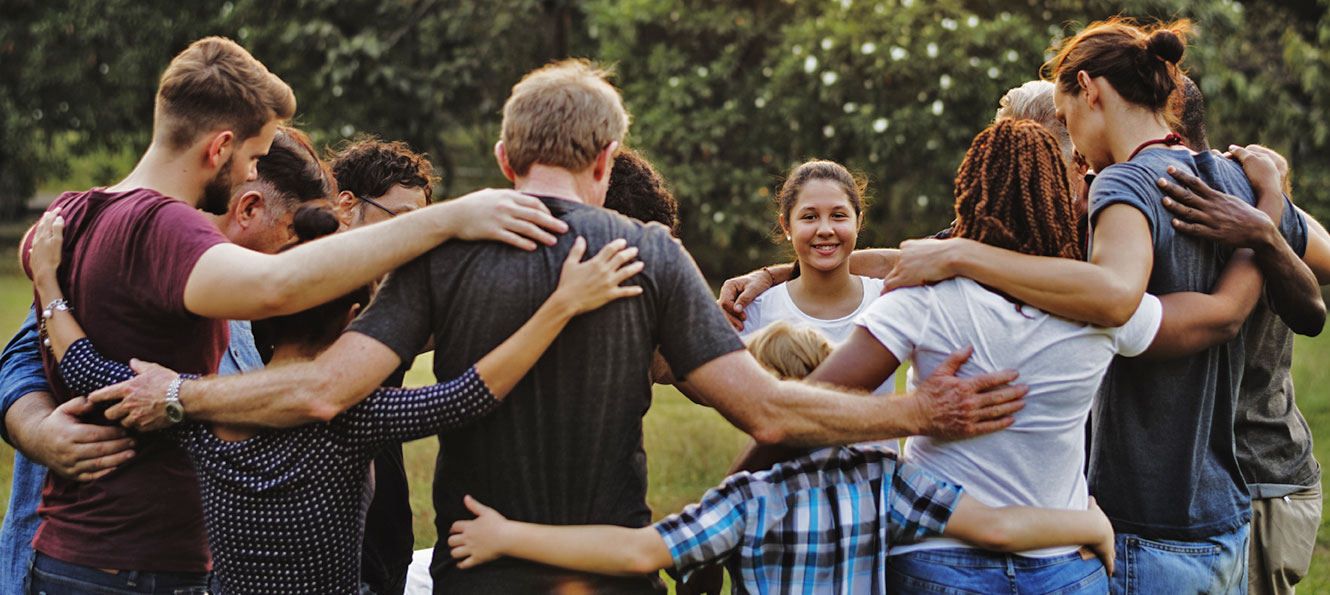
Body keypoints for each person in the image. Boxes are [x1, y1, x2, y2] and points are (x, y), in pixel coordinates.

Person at [89, 58, 1029, 593]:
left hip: (473, 570)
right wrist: (920, 415)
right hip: (605, 573)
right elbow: (770, 411)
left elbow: (331, 389)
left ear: (504, 155)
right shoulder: (652, 255)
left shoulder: (443, 249)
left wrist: (183, 395)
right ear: (608, 156)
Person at [5, 36, 566, 592]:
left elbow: (88, 368)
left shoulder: (73, 214)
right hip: (141, 569)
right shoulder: (174, 233)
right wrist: (451, 221)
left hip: (66, 556)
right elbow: (280, 287)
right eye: (252, 157)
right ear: (219, 147)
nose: (252, 172)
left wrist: (50, 287)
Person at [873, 18, 1321, 593]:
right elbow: (1252, 313)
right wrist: (1268, 206)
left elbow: (1113, 295)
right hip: (1220, 510)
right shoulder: (1243, 181)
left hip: (1136, 511)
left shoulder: (1119, 185)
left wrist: (964, 258)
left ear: (1091, 90)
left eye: (1065, 121)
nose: (1077, 154)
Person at [26, 204, 644, 594]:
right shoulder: (352, 417)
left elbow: (84, 369)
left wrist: (49, 280)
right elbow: (467, 396)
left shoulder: (191, 408)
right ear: (354, 318)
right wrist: (562, 305)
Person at [443, 320, 1117, 593]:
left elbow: (638, 551)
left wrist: (509, 534)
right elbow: (999, 526)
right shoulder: (886, 481)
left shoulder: (747, 500)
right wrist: (1090, 524)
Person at [0, 123, 334, 594]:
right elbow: (25, 359)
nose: (292, 254)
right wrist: (39, 432)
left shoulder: (234, 301)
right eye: (290, 234)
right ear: (249, 207)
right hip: (88, 563)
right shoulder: (130, 251)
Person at [1165, 81, 1330, 595]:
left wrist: (1268, 211)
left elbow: (1321, 274)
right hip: (1206, 482)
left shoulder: (1236, 190)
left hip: (1260, 472)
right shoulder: (1250, 187)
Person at [328, 137, 437, 595]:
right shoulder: (297, 300)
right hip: (331, 555)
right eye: (405, 221)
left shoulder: (398, 296)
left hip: (389, 545)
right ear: (347, 207)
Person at [734, 160, 894, 393]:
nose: (825, 229)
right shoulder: (755, 310)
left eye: (838, 215)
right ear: (786, 226)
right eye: (810, 217)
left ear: (858, 222)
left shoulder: (888, 299)